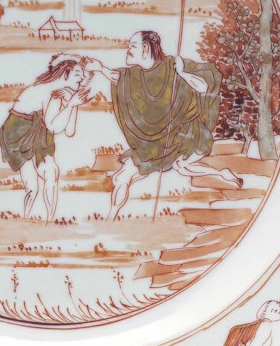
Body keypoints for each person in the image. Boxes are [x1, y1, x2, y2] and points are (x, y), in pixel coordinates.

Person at [86, 31, 241, 220]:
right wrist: (100, 68)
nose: (128, 50)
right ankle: (110, 221)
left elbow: (203, 87)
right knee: (122, 177)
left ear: (145, 49)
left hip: (186, 135)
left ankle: (223, 175)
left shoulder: (173, 64)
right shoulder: (135, 74)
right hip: (155, 143)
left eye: (132, 45)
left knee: (182, 166)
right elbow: (118, 78)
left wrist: (182, 73)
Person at [0, 55, 89, 221]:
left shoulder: (64, 92)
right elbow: (53, 126)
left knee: (52, 172)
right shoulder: (50, 90)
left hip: (39, 128)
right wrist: (71, 105)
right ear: (64, 74)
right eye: (77, 74)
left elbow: (69, 131)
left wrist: (73, 105)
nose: (82, 78)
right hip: (18, 132)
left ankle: (50, 221)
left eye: (83, 75)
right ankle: (26, 220)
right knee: (33, 186)